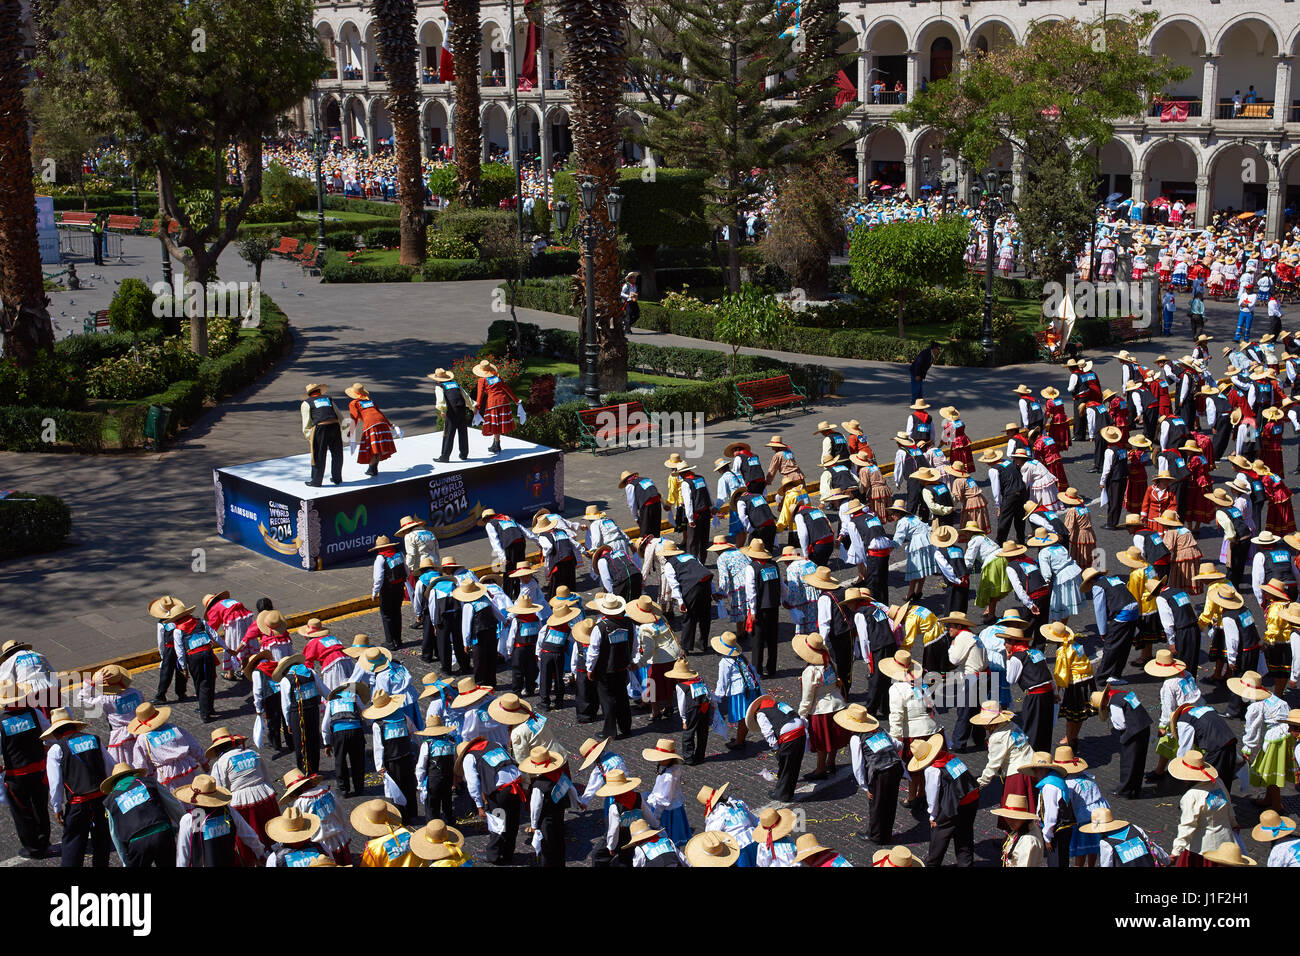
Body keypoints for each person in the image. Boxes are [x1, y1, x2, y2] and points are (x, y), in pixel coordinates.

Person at [43, 708, 109, 867]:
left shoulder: (56, 749)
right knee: (102, 842)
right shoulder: (94, 739)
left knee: (73, 844)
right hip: (102, 800)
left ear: (56, 733)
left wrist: (57, 807)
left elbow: (56, 783)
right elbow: (109, 766)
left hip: (78, 805)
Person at [910, 733, 979, 867]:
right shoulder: (951, 757)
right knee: (964, 834)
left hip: (954, 804)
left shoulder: (932, 770)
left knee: (940, 834)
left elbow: (932, 795)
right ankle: (965, 864)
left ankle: (932, 864)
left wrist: (933, 815)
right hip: (971, 798)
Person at [100, 761, 185, 868]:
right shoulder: (149, 782)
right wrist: (186, 827)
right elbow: (174, 805)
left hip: (136, 842)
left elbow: (115, 834)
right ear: (132, 774)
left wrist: (125, 860)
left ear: (113, 783)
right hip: (162, 832)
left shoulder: (111, 800)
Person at [173, 774, 265, 867]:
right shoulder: (228, 812)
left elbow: (183, 852)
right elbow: (250, 836)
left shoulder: (191, 819)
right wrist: (260, 853)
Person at [1168, 751, 1238, 866]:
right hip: (1224, 842)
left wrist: (1176, 851)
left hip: (1201, 849)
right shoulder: (1218, 782)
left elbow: (1187, 825)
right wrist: (1233, 822)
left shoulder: (1192, 796)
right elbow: (1228, 804)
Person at [746, 693, 807, 804]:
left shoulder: (761, 714)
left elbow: (767, 732)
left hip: (789, 735)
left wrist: (775, 749)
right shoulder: (780, 704)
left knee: (786, 765)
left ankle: (782, 794)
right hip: (801, 729)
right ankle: (787, 792)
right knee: (794, 764)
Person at [520, 745, 575, 867]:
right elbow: (571, 788)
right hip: (559, 814)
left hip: (546, 820)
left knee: (546, 847)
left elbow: (536, 807)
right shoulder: (559, 774)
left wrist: (534, 825)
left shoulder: (538, 786)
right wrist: (577, 802)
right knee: (559, 842)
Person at [344, 383, 399, 477]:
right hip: (382, 423)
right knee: (378, 447)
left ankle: (372, 468)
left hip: (371, 424)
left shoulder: (354, 403)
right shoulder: (371, 401)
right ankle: (373, 468)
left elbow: (354, 419)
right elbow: (380, 413)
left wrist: (350, 433)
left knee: (374, 448)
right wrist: (391, 426)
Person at [472, 360, 522, 455]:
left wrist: (477, 407)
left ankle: (497, 445)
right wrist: (516, 400)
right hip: (503, 401)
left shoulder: (482, 380)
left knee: (495, 424)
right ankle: (496, 444)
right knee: (497, 423)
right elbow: (506, 388)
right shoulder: (497, 377)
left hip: (493, 403)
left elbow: (480, 395)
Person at [300, 383, 345, 487]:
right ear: (319, 391)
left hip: (321, 428)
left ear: (309, 394)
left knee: (319, 455)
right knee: (337, 453)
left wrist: (309, 436)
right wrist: (344, 428)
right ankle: (337, 478)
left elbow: (306, 422)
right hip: (334, 425)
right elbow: (339, 414)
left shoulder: (306, 403)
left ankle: (316, 481)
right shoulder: (328, 399)